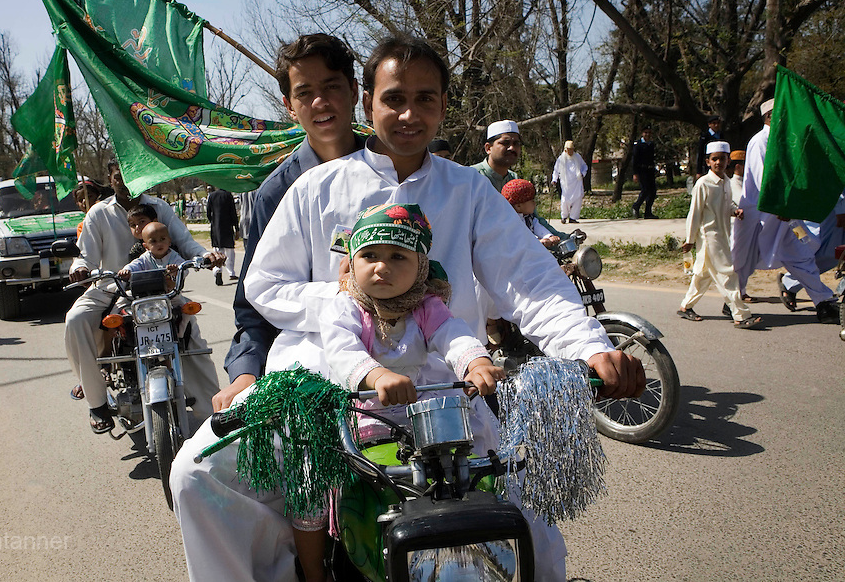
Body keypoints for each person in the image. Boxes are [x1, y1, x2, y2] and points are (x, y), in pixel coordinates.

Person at [173, 34, 644, 582]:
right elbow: (266, 284)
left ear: (443, 107)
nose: (408, 113)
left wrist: (590, 346)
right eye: (393, 98)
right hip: (323, 390)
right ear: (367, 102)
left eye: (426, 99)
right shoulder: (313, 189)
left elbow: (530, 282)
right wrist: (351, 300)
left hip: (447, 393)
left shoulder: (467, 190)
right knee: (196, 475)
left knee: (532, 535)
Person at [290, 203, 505, 582]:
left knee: (482, 468)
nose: (381, 266)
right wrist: (376, 376)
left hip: (425, 416)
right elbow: (343, 351)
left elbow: (451, 335)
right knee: (309, 482)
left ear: (421, 266)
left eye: (397, 257)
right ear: (353, 261)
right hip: (361, 416)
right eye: (369, 255)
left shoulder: (426, 306)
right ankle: (313, 572)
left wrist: (476, 362)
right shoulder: (345, 306)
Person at [211, 33, 367, 413]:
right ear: (289, 105)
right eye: (304, 92)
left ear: (355, 91)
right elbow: (253, 308)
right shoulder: (276, 193)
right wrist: (246, 374)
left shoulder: (395, 170)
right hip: (309, 378)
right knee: (190, 471)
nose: (320, 102)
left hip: (400, 368)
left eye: (332, 86)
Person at [65, 158, 224, 433]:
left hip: (160, 289)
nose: (126, 184)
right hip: (112, 287)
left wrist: (205, 256)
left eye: (131, 176)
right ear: (110, 179)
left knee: (190, 336)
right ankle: (97, 403)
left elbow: (185, 243)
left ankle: (213, 412)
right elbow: (86, 256)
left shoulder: (161, 207)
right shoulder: (98, 213)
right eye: (119, 178)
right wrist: (80, 269)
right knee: (76, 318)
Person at [732, 99, 839, 323]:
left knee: (801, 256)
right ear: (770, 116)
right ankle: (732, 302)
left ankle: (824, 303)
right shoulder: (760, 141)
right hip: (759, 215)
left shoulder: (785, 140)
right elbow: (764, 181)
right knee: (744, 261)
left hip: (785, 215)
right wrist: (780, 205)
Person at [676, 141, 761, 328]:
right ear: (708, 162)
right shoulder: (703, 184)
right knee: (727, 274)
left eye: (722, 159)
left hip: (723, 234)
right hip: (710, 237)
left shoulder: (726, 182)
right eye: (714, 159)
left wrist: (734, 211)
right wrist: (690, 240)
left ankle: (685, 306)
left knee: (703, 275)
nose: (718, 163)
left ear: (728, 160)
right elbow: (695, 213)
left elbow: (727, 204)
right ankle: (741, 315)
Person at [777, 186, 845, 311]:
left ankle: (792, 281)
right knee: (820, 249)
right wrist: (841, 207)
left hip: (833, 205)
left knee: (834, 255)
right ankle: (793, 282)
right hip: (828, 206)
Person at [502, 179, 561, 248]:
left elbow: (538, 228)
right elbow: (521, 236)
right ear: (518, 206)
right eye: (531, 201)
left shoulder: (529, 218)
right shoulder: (511, 221)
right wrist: (538, 241)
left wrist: (549, 236)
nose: (534, 203)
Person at [472, 119, 520, 190]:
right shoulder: (472, 176)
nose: (512, 148)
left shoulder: (515, 180)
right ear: (488, 148)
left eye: (516, 144)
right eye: (505, 143)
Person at [205, 186, 239, 285]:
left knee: (218, 252)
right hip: (227, 227)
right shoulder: (228, 195)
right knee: (230, 252)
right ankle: (231, 272)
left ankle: (218, 271)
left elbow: (208, 212)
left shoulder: (211, 196)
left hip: (216, 228)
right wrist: (236, 228)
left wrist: (213, 222)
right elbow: (233, 213)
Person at [551, 140, 588, 223]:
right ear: (565, 149)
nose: (570, 151)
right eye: (569, 149)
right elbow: (556, 170)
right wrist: (554, 179)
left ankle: (573, 218)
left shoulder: (577, 157)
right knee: (565, 200)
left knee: (577, 199)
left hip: (577, 182)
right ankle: (564, 217)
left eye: (572, 149)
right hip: (566, 183)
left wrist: (582, 174)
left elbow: (584, 166)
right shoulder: (561, 159)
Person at [631, 125, 658, 219]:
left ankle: (648, 212)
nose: (647, 134)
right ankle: (636, 206)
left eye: (649, 132)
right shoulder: (638, 145)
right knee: (645, 190)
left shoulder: (651, 144)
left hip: (650, 170)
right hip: (642, 170)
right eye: (645, 132)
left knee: (653, 191)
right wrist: (635, 173)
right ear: (642, 133)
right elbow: (634, 160)